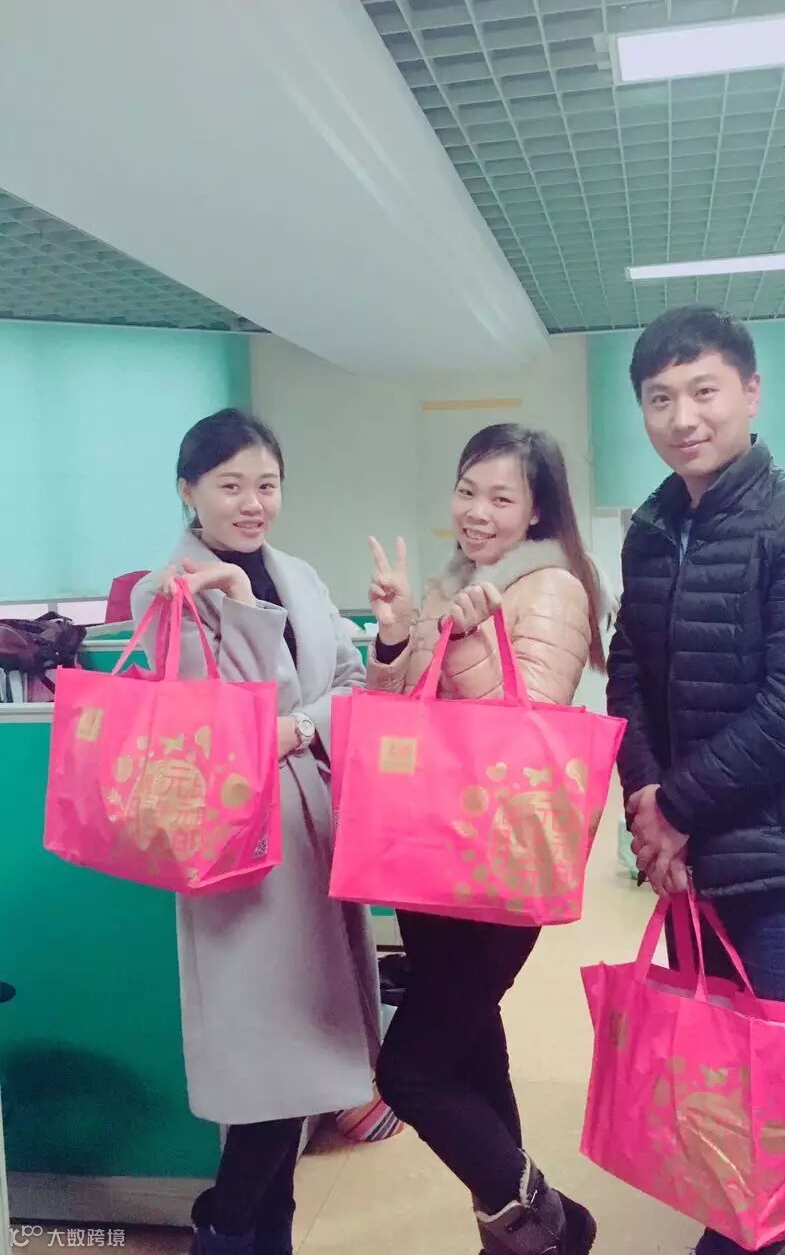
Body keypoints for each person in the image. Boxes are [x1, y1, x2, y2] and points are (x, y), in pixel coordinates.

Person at [606, 307, 785, 1255]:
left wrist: (674, 808)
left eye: (704, 391)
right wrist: (647, 805)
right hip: (688, 866)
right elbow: (628, 677)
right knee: (720, 1087)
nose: (684, 417)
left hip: (781, 864)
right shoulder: (651, 530)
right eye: (660, 398)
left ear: (751, 393)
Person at [132, 409, 380, 1255]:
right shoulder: (164, 592)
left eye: (266, 485)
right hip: (239, 850)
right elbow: (222, 725)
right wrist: (242, 614)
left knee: (300, 1072)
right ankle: (224, 1228)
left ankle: (260, 1236)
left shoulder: (298, 574)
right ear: (188, 490)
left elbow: (350, 686)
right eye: (230, 485)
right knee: (271, 1073)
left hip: (318, 828)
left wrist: (303, 727)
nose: (252, 503)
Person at [364, 423, 606, 1255]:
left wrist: (464, 638)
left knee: (409, 1072)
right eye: (468, 490)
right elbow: (397, 719)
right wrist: (396, 634)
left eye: (502, 497)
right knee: (471, 1054)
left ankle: (556, 1224)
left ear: (538, 510)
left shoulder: (551, 588)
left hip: (498, 871)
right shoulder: (456, 583)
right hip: (433, 859)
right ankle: (516, 1240)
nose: (477, 511)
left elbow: (523, 738)